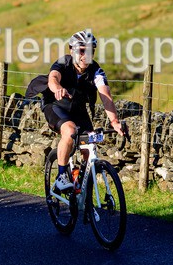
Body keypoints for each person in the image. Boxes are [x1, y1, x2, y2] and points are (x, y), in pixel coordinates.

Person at [43, 29, 124, 191]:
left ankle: (82, 192)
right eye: (81, 51)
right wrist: (57, 88)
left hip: (77, 109)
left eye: (90, 51)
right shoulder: (63, 63)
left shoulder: (96, 71)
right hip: (56, 106)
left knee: (90, 146)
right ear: (71, 50)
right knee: (70, 131)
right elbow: (53, 78)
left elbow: (105, 96)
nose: (85, 55)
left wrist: (114, 121)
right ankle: (61, 176)